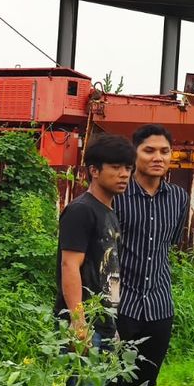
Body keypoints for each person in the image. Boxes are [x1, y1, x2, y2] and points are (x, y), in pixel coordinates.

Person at [111, 124, 189, 386]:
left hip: (159, 306)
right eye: (149, 150)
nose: (158, 157)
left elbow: (168, 245)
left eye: (165, 151)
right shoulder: (117, 195)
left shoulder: (179, 198)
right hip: (120, 306)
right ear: (135, 154)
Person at [56, 133, 134, 352]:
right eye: (116, 167)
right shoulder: (82, 210)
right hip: (86, 325)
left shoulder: (109, 212)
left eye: (128, 168)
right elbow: (69, 265)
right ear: (94, 170)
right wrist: (78, 322)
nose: (124, 175)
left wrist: (113, 325)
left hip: (105, 324)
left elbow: (109, 270)